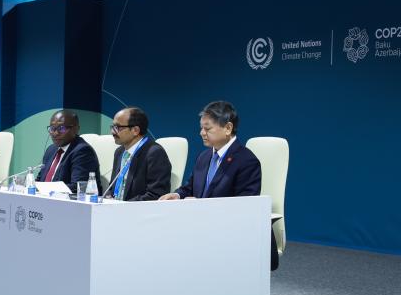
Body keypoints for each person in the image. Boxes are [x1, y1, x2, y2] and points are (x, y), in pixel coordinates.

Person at [159, 100, 277, 267]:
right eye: (201, 128)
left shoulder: (246, 161)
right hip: (200, 229)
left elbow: (244, 206)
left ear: (228, 128)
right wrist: (177, 195)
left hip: (228, 236)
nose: (201, 133)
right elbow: (189, 187)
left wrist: (201, 206)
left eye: (207, 128)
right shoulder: (204, 157)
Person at [107, 107, 172, 201]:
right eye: (113, 127)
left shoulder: (154, 153)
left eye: (118, 128)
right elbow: (112, 188)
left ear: (135, 130)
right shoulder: (119, 152)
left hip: (136, 212)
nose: (113, 132)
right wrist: (108, 198)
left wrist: (123, 206)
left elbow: (156, 194)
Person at [38, 109, 101, 191]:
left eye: (61, 128)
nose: (55, 133)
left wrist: (46, 189)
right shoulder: (51, 149)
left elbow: (77, 187)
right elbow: (40, 179)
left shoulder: (82, 151)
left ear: (76, 129)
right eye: (52, 128)